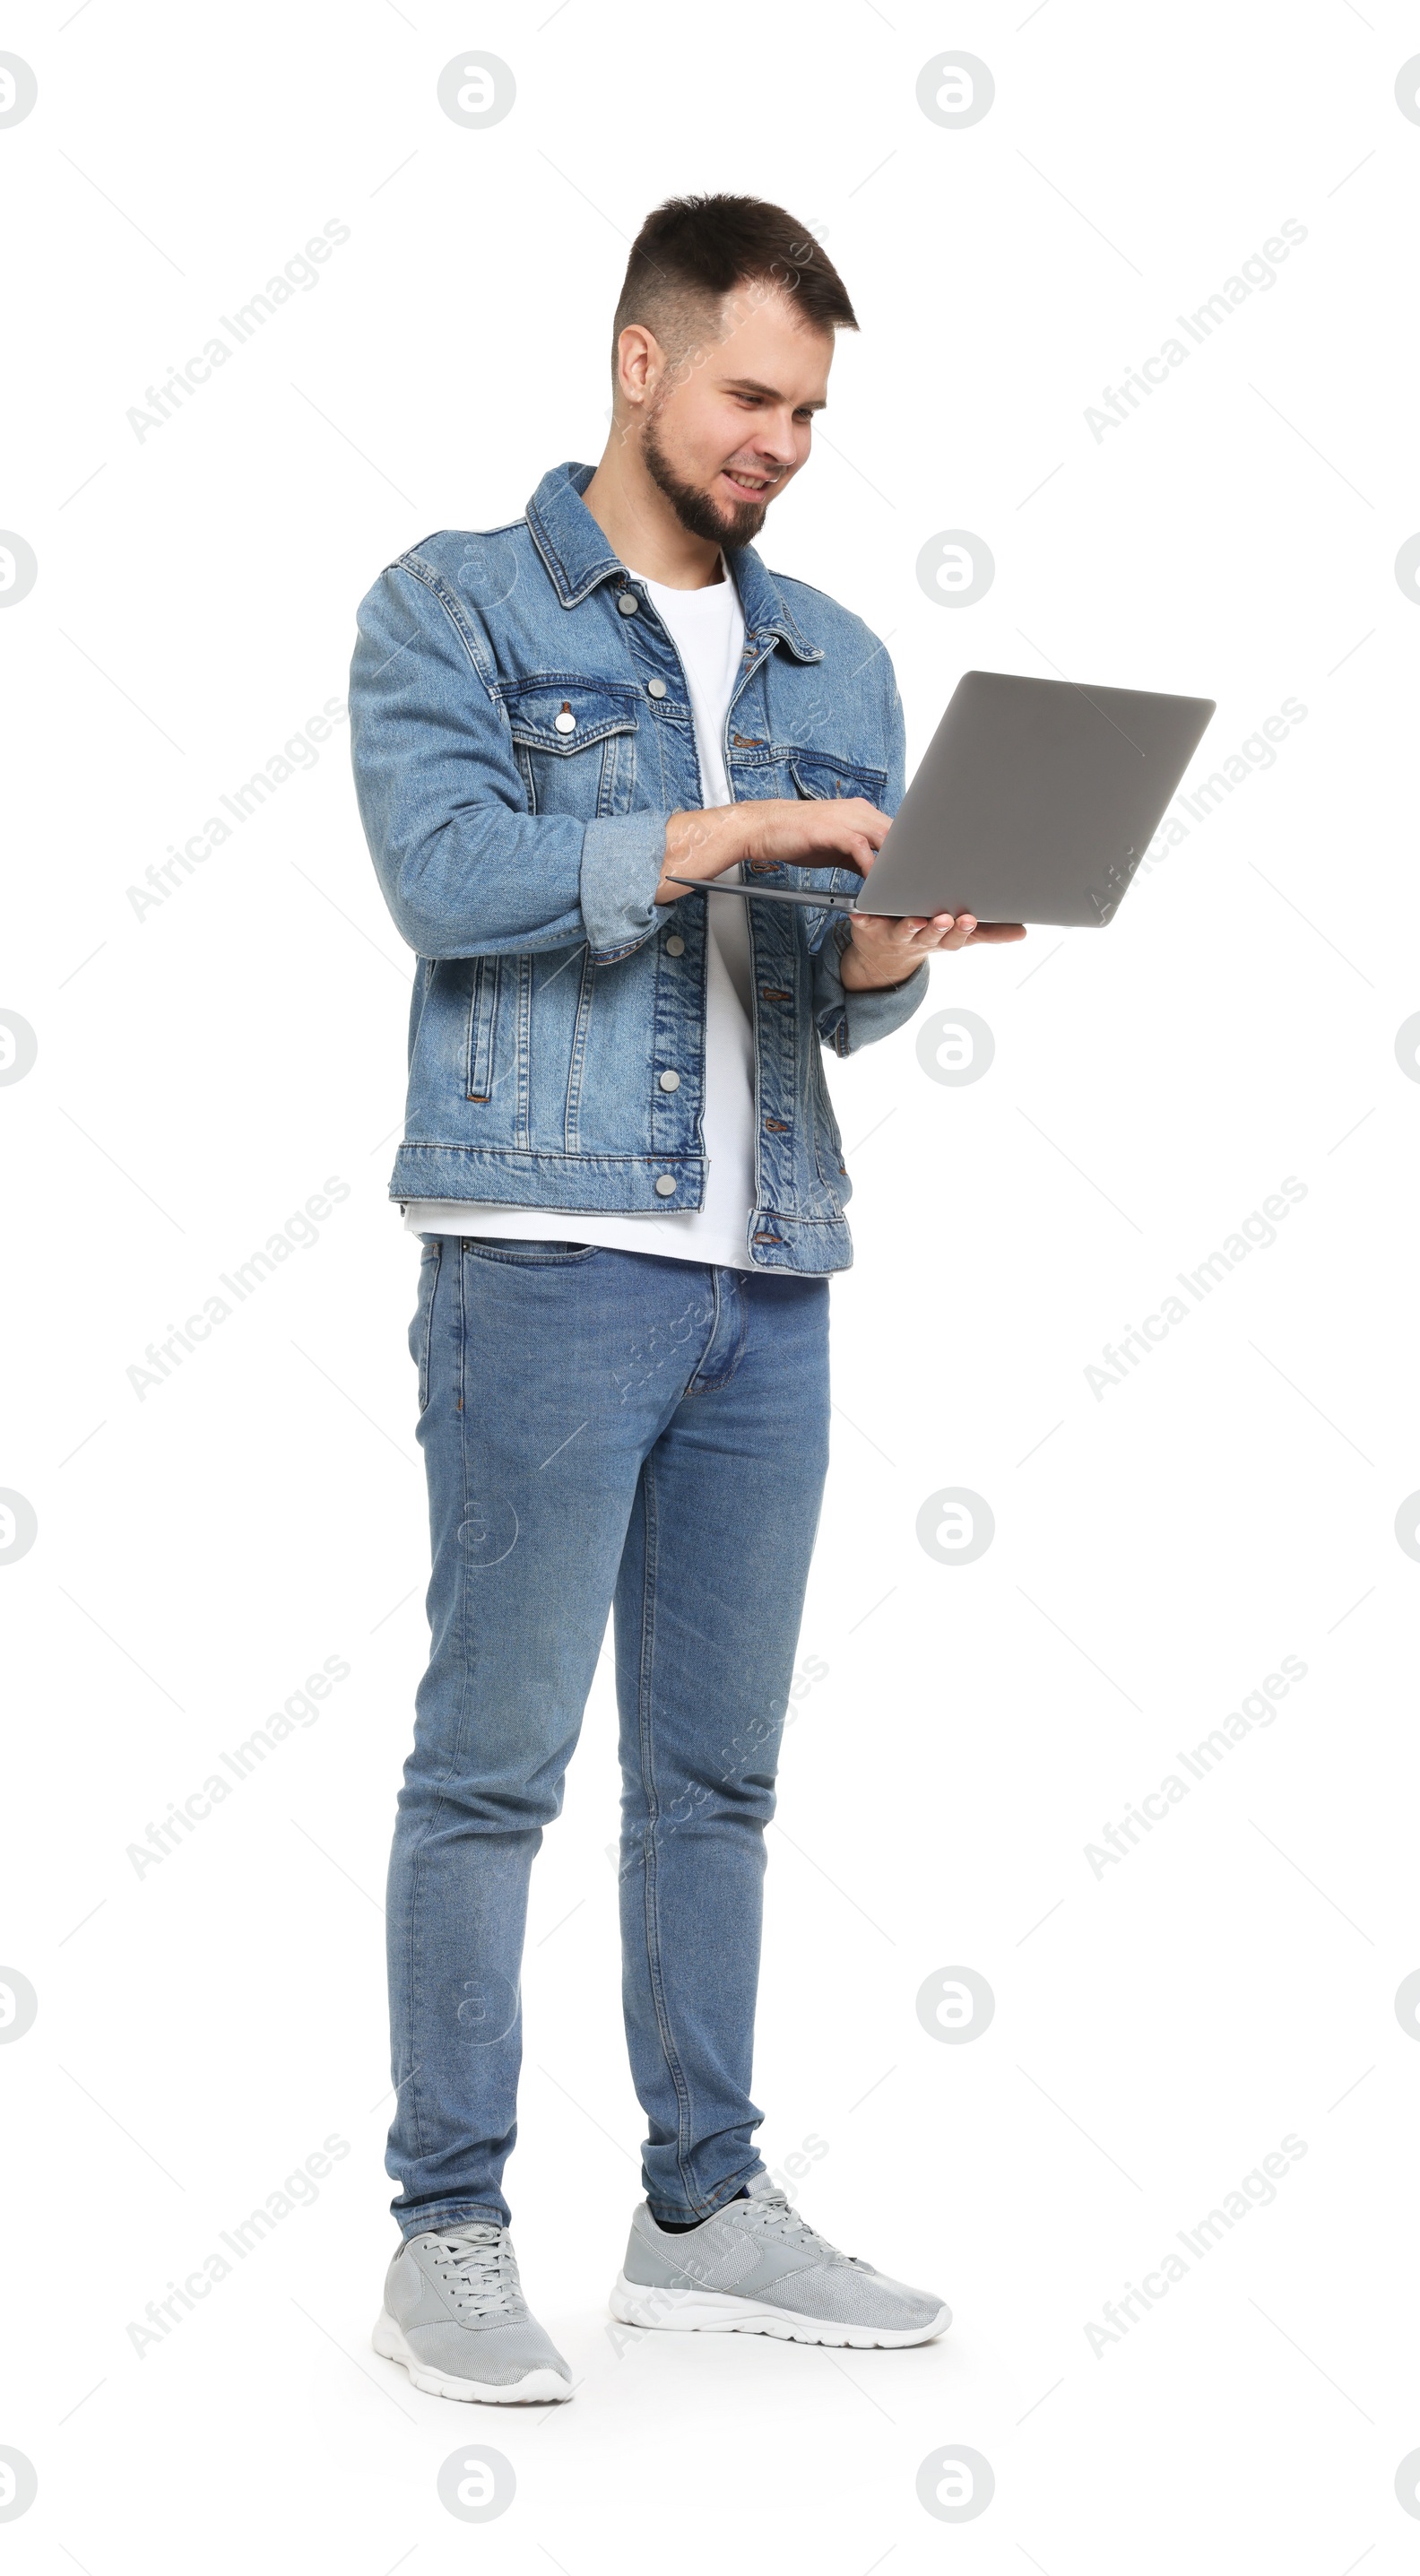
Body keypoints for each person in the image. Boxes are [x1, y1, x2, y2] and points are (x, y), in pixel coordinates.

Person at [349, 192, 1023, 2406]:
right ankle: (446, 2233)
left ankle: (699, 2206)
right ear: (637, 362)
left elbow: (824, 1006)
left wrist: (900, 949)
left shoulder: (832, 650)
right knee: (491, 1769)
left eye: (812, 412)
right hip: (543, 1264)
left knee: (713, 1780)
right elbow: (446, 883)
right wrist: (730, 838)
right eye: (752, 396)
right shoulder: (451, 602)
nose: (782, 445)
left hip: (767, 1279)